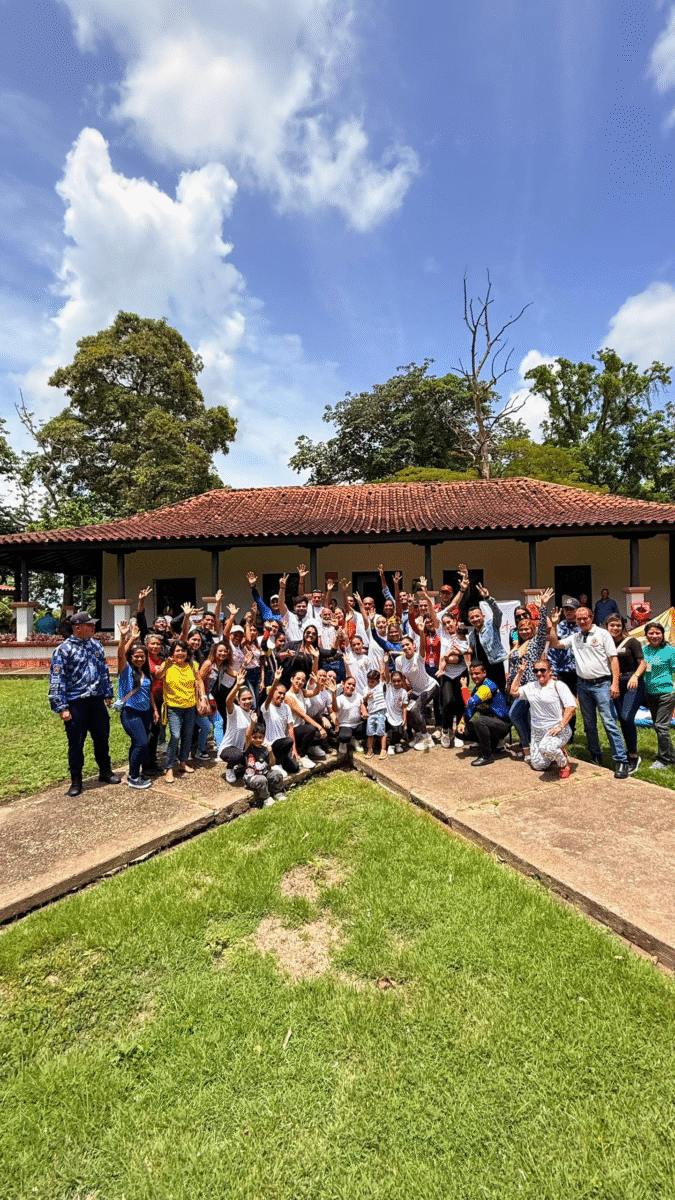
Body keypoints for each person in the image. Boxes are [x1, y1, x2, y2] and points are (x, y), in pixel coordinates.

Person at [548, 606, 629, 779]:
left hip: (602, 685)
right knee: (589, 724)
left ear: (591, 618)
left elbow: (613, 660)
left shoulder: (603, 634)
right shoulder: (576, 637)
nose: (582, 621)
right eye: (579, 619)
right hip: (583, 686)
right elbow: (555, 644)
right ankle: (595, 756)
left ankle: (621, 760)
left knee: (609, 722)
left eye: (585, 618)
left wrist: (614, 683)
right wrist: (554, 625)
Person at [48, 610, 121, 797]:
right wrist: (61, 707)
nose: (93, 627)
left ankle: (105, 771)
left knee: (102, 737)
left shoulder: (96, 645)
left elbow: (103, 670)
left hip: (96, 701)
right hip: (76, 703)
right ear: (78, 627)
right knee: (76, 743)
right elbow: (57, 679)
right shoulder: (63, 650)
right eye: (89, 624)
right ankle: (76, 781)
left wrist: (108, 693)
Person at [505, 589, 554, 760]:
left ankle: (527, 747)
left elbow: (543, 628)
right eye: (521, 629)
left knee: (515, 715)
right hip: (517, 688)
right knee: (525, 717)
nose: (524, 631)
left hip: (531, 687)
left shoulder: (535, 643)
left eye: (527, 629)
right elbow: (514, 668)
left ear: (532, 630)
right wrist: (509, 683)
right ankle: (531, 747)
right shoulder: (517, 646)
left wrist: (543, 607)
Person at [509, 658, 576, 779]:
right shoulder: (531, 687)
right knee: (538, 765)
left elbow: (571, 707)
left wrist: (561, 726)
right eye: (536, 670)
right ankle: (555, 750)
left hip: (557, 730)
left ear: (550, 671)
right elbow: (513, 691)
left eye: (543, 670)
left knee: (546, 748)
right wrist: (520, 673)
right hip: (538, 732)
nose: (539, 673)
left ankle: (564, 764)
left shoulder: (558, 685)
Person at [156, 640, 208, 783]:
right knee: (175, 735)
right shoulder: (167, 664)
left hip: (190, 707)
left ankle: (183, 762)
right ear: (172, 652)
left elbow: (199, 682)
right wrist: (166, 665)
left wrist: (203, 698)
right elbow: (158, 675)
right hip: (173, 707)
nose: (180, 653)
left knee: (187, 735)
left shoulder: (192, 665)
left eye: (183, 651)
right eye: (177, 650)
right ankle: (169, 767)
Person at [116, 621, 158, 789]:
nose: (139, 659)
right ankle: (133, 777)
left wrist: (154, 709)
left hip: (145, 712)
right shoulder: (125, 670)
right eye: (136, 656)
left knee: (137, 743)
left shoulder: (145, 673)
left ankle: (134, 773)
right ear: (131, 657)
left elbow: (149, 693)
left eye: (142, 656)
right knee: (141, 743)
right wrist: (126, 637)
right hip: (130, 712)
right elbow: (121, 654)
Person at [604, 614, 644, 775]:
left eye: (618, 625)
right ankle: (626, 750)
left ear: (623, 627)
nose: (615, 628)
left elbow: (642, 663)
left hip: (631, 683)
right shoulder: (605, 643)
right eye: (612, 625)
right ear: (606, 626)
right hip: (615, 683)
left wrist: (635, 676)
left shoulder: (631, 642)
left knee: (627, 717)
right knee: (621, 718)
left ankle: (633, 755)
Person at [632, 621, 675, 770]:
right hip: (650, 693)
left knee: (661, 726)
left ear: (662, 634)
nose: (654, 635)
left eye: (658, 633)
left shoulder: (670, 651)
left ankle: (664, 760)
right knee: (659, 727)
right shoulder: (643, 650)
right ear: (646, 635)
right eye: (651, 633)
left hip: (666, 693)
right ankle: (671, 755)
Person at [457, 662, 511, 766]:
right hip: (489, 723)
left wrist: (464, 687)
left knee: (480, 721)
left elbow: (469, 702)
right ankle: (492, 744)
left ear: (484, 673)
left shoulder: (488, 686)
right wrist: (462, 722)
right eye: (471, 674)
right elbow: (471, 709)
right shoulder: (477, 688)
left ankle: (486, 756)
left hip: (502, 725)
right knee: (460, 732)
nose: (474, 676)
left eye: (477, 673)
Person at [466, 581, 507, 692]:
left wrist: (488, 598)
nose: (475, 619)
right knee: (485, 694)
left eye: (477, 616)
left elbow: (498, 613)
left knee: (499, 692)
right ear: (469, 620)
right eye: (472, 618)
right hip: (482, 669)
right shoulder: (471, 635)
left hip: (495, 665)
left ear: (483, 616)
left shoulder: (492, 626)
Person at [218, 671, 256, 783]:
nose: (247, 701)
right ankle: (230, 768)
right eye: (244, 699)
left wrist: (253, 723)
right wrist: (238, 685)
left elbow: (249, 737)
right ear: (238, 701)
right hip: (228, 748)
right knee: (237, 755)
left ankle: (241, 763)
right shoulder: (235, 711)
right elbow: (228, 700)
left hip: (242, 749)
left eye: (249, 698)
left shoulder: (252, 715)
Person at [263, 670, 301, 773]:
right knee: (288, 741)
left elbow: (290, 728)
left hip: (284, 745)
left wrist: (294, 749)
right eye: (279, 693)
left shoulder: (286, 707)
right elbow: (269, 697)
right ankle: (276, 764)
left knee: (295, 768)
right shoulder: (266, 707)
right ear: (273, 692)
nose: (282, 696)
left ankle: (282, 762)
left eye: (284, 694)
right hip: (272, 745)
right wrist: (276, 680)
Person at [243, 723, 286, 807]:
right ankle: (266, 799)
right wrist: (252, 722)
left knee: (277, 774)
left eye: (260, 737)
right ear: (251, 737)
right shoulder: (249, 748)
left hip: (264, 773)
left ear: (263, 738)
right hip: (252, 777)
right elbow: (247, 736)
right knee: (262, 780)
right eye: (254, 737)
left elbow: (272, 763)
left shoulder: (265, 749)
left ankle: (278, 793)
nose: (257, 740)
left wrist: (270, 752)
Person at [332, 674, 367, 756]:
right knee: (344, 737)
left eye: (353, 685)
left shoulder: (358, 695)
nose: (351, 686)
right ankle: (343, 743)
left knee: (369, 727)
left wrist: (364, 712)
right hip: (345, 725)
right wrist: (333, 694)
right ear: (343, 684)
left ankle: (355, 740)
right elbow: (335, 709)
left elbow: (362, 705)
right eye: (349, 684)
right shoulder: (339, 699)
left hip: (357, 724)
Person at [362, 668, 388, 758]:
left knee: (382, 732)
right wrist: (367, 696)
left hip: (380, 712)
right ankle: (370, 749)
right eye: (368, 681)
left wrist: (383, 663)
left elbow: (382, 673)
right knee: (370, 733)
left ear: (377, 681)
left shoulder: (380, 686)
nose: (370, 684)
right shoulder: (365, 689)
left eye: (372, 682)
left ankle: (383, 749)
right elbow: (364, 700)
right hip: (371, 713)